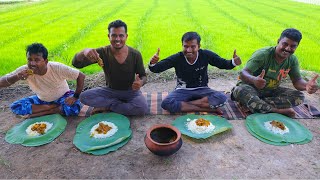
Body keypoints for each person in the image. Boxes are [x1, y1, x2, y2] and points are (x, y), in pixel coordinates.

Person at [231, 28, 319, 117]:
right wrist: (254, 80)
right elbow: (243, 73)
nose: (288, 48)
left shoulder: (292, 60)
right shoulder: (263, 54)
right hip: (250, 88)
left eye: (293, 46)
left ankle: (254, 104)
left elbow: (297, 81)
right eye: (285, 44)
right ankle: (277, 110)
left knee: (299, 97)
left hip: (270, 92)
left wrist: (306, 85)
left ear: (297, 47)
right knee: (239, 90)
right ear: (278, 41)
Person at [149, 31, 241, 114]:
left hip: (203, 89)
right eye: (186, 46)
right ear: (182, 46)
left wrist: (234, 62)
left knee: (222, 97)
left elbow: (223, 63)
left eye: (193, 46)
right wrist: (152, 63)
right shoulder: (177, 58)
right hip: (183, 91)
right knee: (166, 103)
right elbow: (156, 68)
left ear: (199, 46)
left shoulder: (205, 55)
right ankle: (207, 109)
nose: (189, 50)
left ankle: (186, 105)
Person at [72, 19, 148, 116]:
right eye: (114, 35)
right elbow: (76, 64)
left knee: (142, 109)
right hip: (110, 91)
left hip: (130, 91)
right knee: (84, 97)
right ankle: (114, 105)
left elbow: (143, 76)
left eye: (121, 35)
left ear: (126, 36)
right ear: (109, 36)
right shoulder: (102, 52)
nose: (117, 39)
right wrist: (83, 52)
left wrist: (140, 82)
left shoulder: (135, 54)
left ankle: (108, 106)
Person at [0, 43, 85, 118]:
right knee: (16, 107)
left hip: (63, 96)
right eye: (29, 60)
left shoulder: (57, 68)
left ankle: (48, 111)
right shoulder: (24, 71)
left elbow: (81, 76)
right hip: (41, 100)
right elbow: (1, 82)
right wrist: (17, 77)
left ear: (46, 61)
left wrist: (75, 97)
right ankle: (52, 108)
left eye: (37, 60)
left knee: (74, 108)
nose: (32, 64)